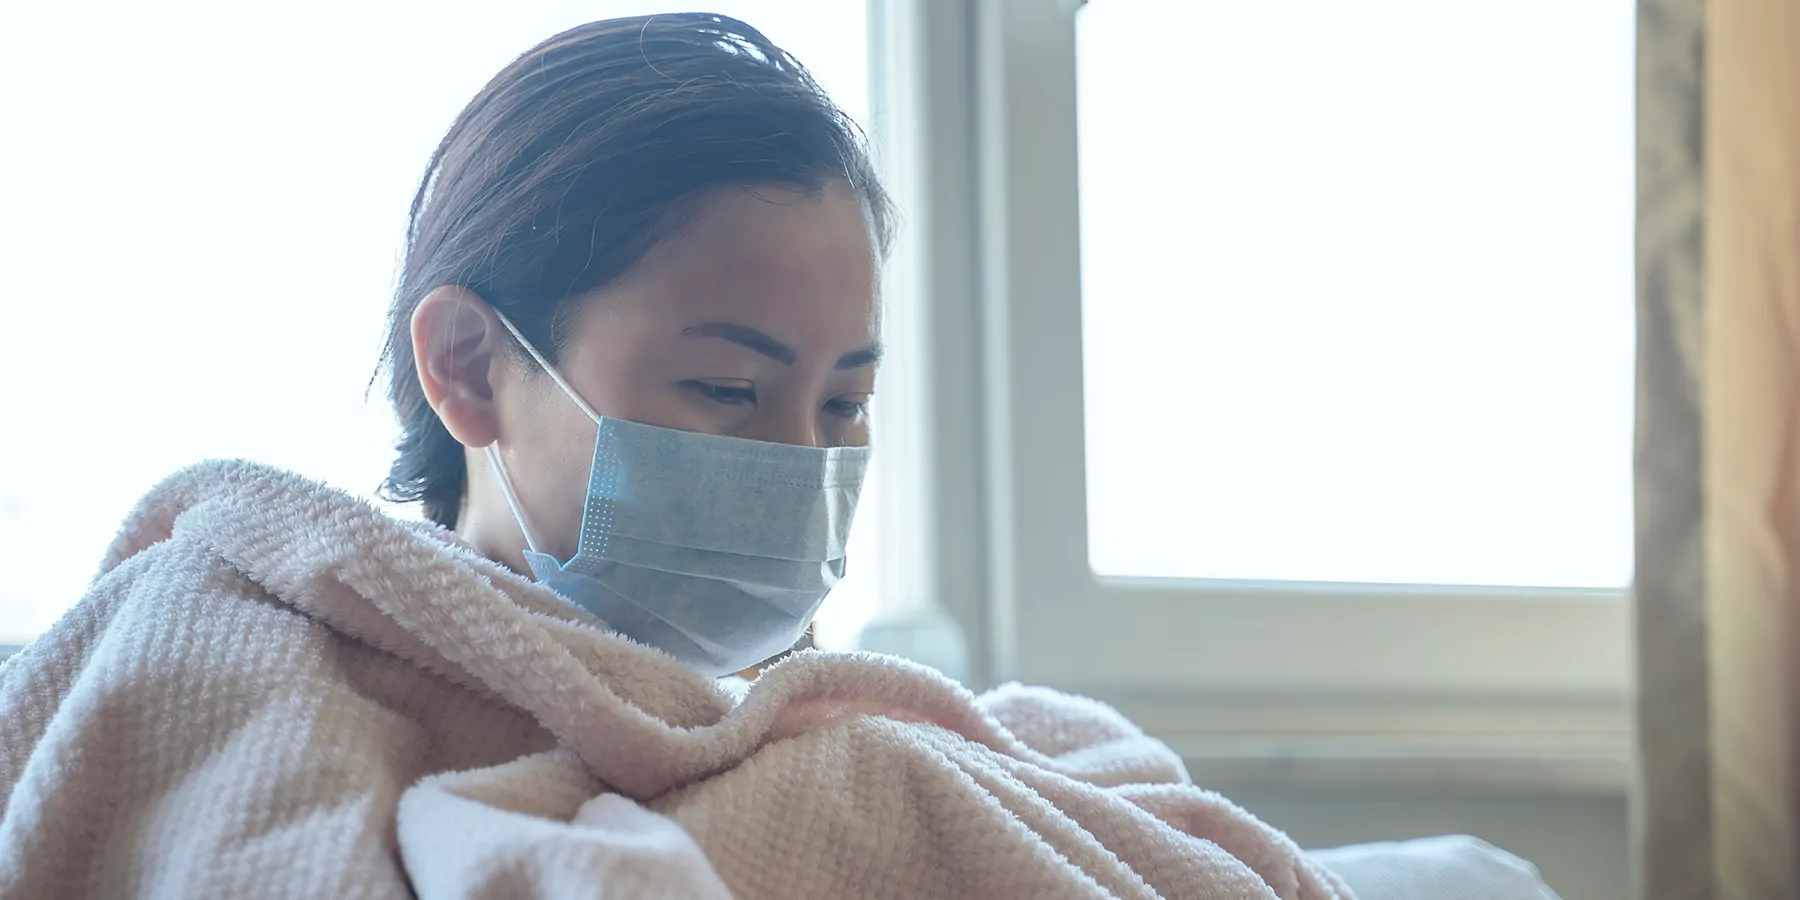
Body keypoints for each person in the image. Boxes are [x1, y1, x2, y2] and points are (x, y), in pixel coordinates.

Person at [0, 13, 1547, 900]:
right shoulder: (243, 645)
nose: (801, 459)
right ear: (470, 365)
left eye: (846, 399)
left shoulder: (892, 734)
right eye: (728, 391)